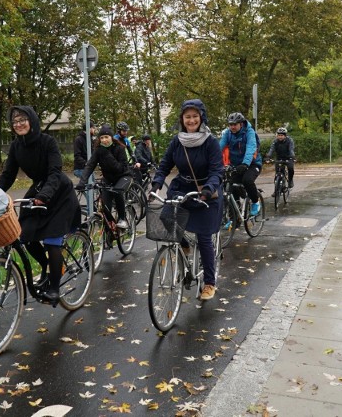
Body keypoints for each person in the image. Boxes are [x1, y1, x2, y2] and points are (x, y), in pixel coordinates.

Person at [0, 106, 81, 304]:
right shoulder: (16, 147)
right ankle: (46, 266)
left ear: (32, 120)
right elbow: (8, 175)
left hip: (59, 192)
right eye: (14, 121)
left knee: (52, 240)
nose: (18, 124)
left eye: (22, 119)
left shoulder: (48, 142)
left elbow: (55, 171)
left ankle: (54, 288)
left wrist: (44, 195)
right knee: (23, 234)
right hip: (38, 191)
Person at [150, 99, 224, 301]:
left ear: (201, 118)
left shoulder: (211, 142)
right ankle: (183, 244)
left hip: (205, 191)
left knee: (204, 236)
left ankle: (209, 283)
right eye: (187, 116)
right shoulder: (177, 141)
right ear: (182, 119)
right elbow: (165, 165)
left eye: (195, 116)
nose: (191, 120)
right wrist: (156, 183)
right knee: (167, 218)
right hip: (182, 187)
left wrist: (208, 189)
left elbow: (217, 170)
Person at [76, 124, 133, 232]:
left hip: (123, 176)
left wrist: (107, 155)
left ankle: (122, 218)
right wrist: (82, 182)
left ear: (111, 137)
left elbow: (119, 168)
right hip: (108, 179)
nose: (104, 140)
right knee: (105, 207)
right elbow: (89, 166)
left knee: (117, 191)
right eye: (101, 138)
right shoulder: (98, 151)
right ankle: (110, 230)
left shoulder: (119, 149)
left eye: (106, 137)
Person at [219, 112, 263, 216]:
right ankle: (235, 218)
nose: (232, 127)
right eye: (231, 124)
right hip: (236, 165)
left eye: (235, 124)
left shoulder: (249, 132)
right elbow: (219, 147)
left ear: (241, 124)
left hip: (252, 164)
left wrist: (245, 164)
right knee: (230, 185)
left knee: (247, 180)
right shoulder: (228, 134)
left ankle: (255, 202)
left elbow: (251, 148)